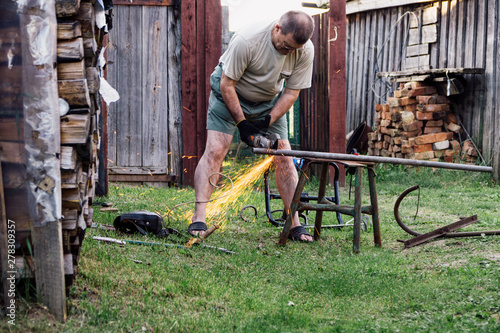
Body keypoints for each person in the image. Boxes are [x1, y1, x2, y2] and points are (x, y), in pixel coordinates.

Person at [188, 10, 315, 242]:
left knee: (284, 156)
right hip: (229, 94)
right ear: (277, 29)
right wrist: (243, 125)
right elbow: (227, 85)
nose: (289, 52)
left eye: (293, 50)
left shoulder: (304, 50)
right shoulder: (248, 40)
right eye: (286, 46)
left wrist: (267, 121)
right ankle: (199, 216)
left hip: (268, 103)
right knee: (216, 150)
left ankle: (294, 223)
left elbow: (291, 93)